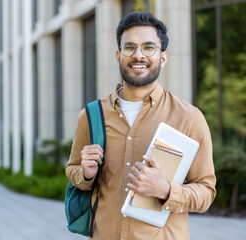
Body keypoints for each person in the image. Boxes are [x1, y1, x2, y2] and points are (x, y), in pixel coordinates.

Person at [65, 12, 216, 240]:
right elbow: (72, 169)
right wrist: (86, 174)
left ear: (163, 57)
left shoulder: (189, 118)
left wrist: (165, 190)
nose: (138, 55)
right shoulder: (90, 115)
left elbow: (206, 192)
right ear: (118, 55)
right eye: (129, 47)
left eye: (148, 47)